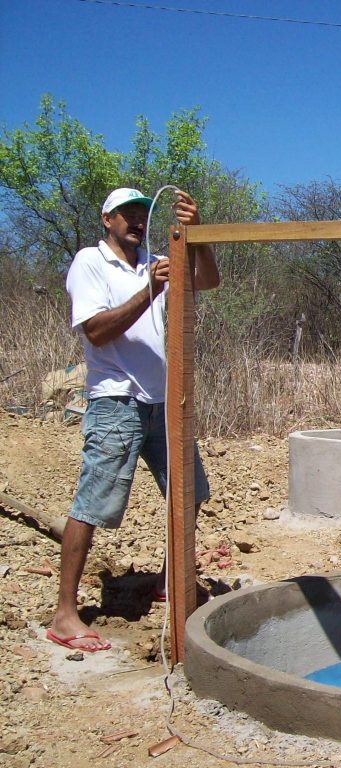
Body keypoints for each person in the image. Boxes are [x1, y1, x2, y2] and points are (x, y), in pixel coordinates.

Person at [47, 187, 220, 652]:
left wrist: (198, 234)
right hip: (116, 402)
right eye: (127, 214)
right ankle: (65, 615)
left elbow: (207, 281)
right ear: (107, 219)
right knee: (93, 505)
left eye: (143, 213)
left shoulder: (154, 261)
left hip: (162, 403)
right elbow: (96, 331)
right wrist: (151, 291)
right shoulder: (90, 262)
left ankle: (171, 580)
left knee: (189, 491)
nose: (137, 221)